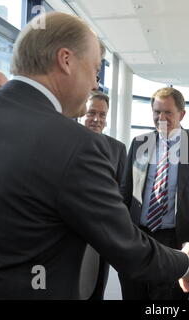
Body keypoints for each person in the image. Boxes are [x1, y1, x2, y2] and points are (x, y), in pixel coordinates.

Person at [0, 12, 189, 299]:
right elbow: (128, 248)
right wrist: (187, 262)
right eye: (95, 70)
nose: (95, 84)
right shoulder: (76, 144)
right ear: (66, 60)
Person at [119, 87, 189, 300]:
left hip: (176, 243)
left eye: (167, 112)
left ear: (181, 114)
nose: (161, 117)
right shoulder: (139, 143)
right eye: (156, 112)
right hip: (136, 237)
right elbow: (125, 191)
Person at [79, 91, 127, 300]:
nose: (97, 120)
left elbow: (122, 192)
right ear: (81, 113)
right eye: (91, 113)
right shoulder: (63, 141)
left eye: (102, 115)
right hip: (67, 233)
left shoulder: (117, 149)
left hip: (101, 234)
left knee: (96, 289)